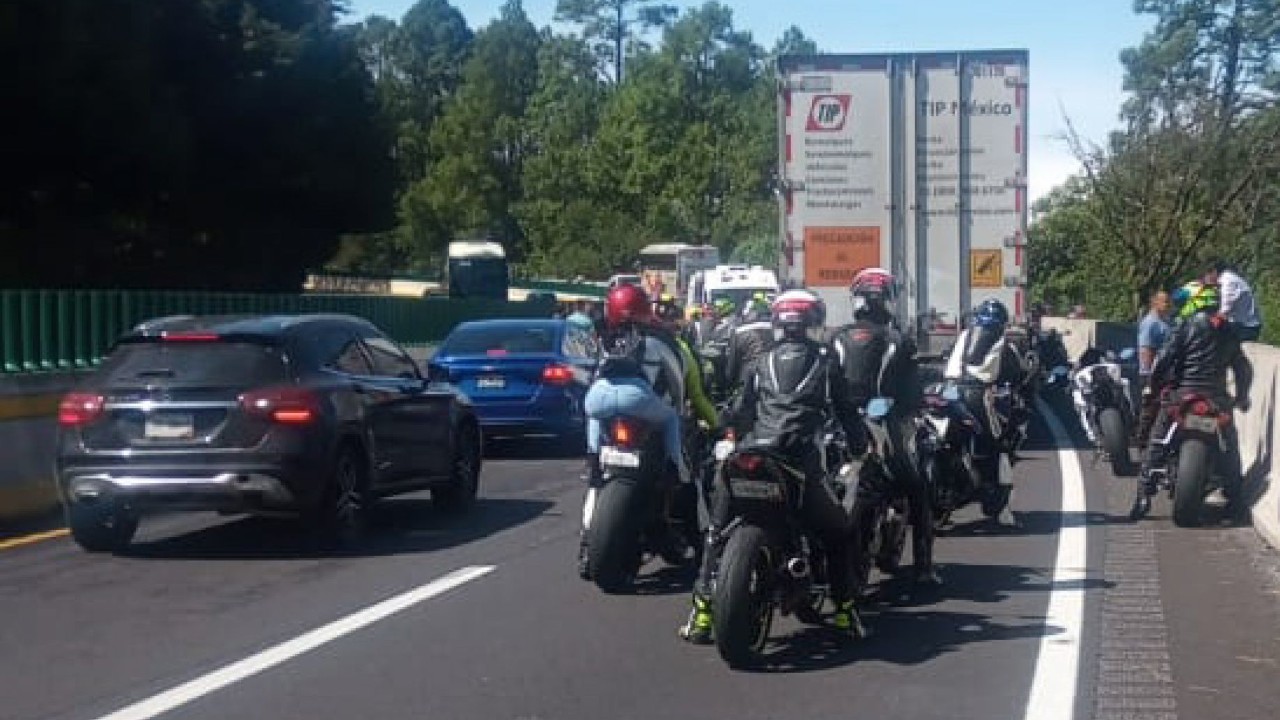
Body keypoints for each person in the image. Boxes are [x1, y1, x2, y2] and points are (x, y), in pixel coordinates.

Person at [680, 289, 866, 644]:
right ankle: (845, 612)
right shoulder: (826, 363)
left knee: (716, 533)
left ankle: (701, 615)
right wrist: (860, 448)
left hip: (750, 455)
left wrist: (719, 426)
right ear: (813, 321)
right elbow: (845, 412)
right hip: (797, 461)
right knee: (839, 531)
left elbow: (738, 411)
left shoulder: (761, 362)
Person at [578, 285, 696, 577]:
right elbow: (677, 382)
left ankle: (593, 458)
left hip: (600, 399)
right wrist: (678, 409)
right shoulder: (655, 342)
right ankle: (679, 469)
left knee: (595, 473)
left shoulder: (603, 339)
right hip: (639, 402)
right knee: (670, 418)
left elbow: (591, 376)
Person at [829, 268, 937, 585]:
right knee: (917, 488)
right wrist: (912, 406)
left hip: (835, 424)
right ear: (887, 300)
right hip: (879, 426)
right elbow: (911, 392)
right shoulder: (897, 341)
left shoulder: (835, 337)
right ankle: (924, 566)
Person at [1133, 281, 1253, 519]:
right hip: (1216, 399)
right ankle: (1235, 496)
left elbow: (1164, 360)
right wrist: (1242, 397)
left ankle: (1143, 494)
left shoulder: (1184, 326)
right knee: (1229, 447)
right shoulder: (1228, 331)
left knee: (1158, 440)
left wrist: (1155, 387)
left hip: (1183, 394)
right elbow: (1243, 369)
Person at [943, 299, 1032, 486]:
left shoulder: (964, 334)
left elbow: (947, 356)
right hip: (977, 393)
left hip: (948, 389)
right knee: (994, 440)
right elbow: (1016, 373)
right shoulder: (1002, 341)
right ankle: (989, 485)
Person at [1134, 290, 1171, 445]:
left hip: (1164, 372)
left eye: (1168, 302)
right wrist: (1148, 376)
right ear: (1154, 302)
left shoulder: (1164, 322)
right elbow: (1146, 350)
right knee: (1150, 408)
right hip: (1152, 373)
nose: (1168, 305)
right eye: (1165, 301)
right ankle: (1142, 441)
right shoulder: (1151, 323)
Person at [722, 292, 775, 396]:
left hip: (746, 383)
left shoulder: (739, 331)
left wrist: (728, 385)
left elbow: (732, 364)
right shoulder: (776, 330)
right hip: (772, 383)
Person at [1204, 260, 1263, 342]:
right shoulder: (1231, 278)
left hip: (1245, 328)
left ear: (1214, 271)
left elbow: (1225, 310)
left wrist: (1207, 326)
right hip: (1244, 325)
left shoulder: (1228, 282)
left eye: (1207, 273)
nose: (1206, 277)